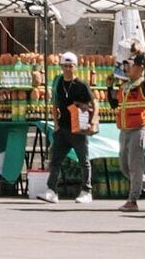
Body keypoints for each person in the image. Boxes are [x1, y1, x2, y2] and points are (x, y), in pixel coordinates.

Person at [53, 63, 98, 204]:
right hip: (64, 127)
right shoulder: (58, 82)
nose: (67, 69)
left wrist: (94, 120)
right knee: (55, 159)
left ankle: (86, 191)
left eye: (70, 66)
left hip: (79, 126)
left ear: (75, 67)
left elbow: (95, 102)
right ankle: (51, 190)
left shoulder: (81, 84)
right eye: (65, 66)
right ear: (61, 67)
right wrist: (56, 123)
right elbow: (55, 103)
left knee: (83, 160)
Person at [114, 51, 145, 216]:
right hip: (125, 129)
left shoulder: (144, 85)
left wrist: (143, 54)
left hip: (140, 128)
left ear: (140, 68)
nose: (126, 67)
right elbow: (113, 104)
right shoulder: (124, 86)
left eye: (130, 64)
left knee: (136, 166)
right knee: (124, 166)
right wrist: (109, 87)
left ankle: (132, 201)